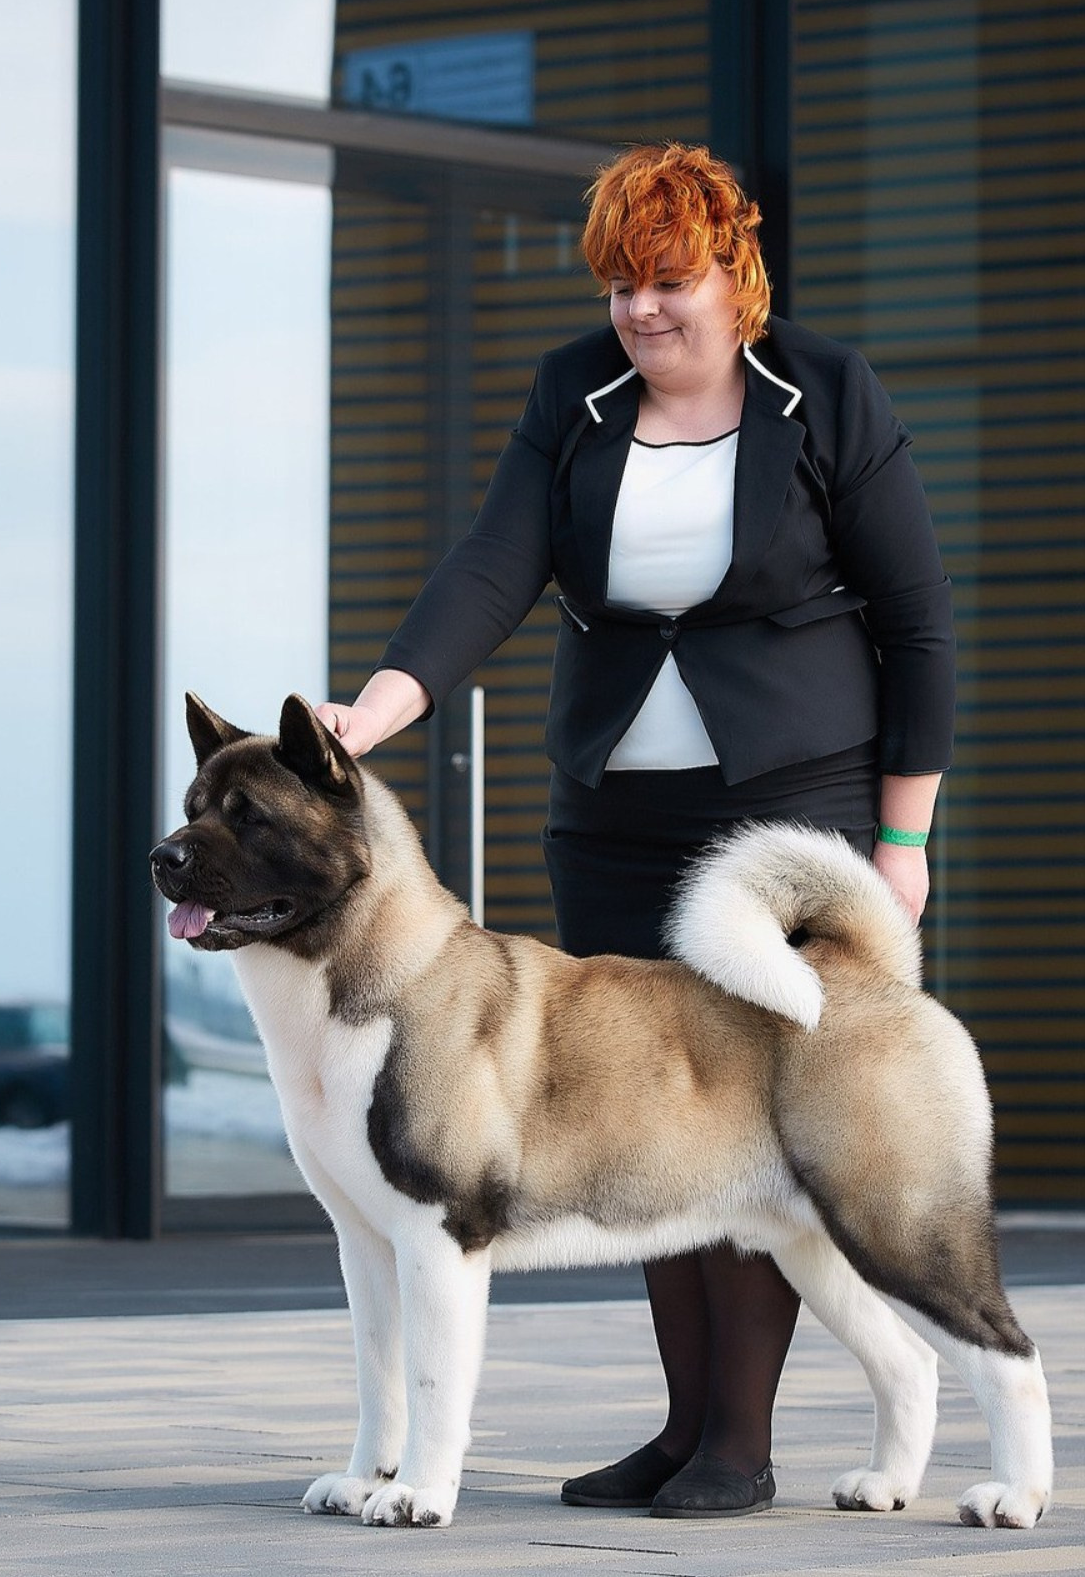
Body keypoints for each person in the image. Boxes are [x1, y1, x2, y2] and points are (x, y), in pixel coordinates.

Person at [312, 142, 954, 1520]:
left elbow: (917, 626)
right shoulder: (575, 395)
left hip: (790, 809)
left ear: (735, 272)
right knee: (640, 1124)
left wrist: (902, 845)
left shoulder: (827, 396)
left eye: (668, 282)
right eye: (619, 285)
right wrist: (376, 708)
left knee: (756, 1124)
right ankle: (682, 1426)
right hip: (613, 817)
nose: (641, 312)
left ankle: (740, 1439)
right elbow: (492, 563)